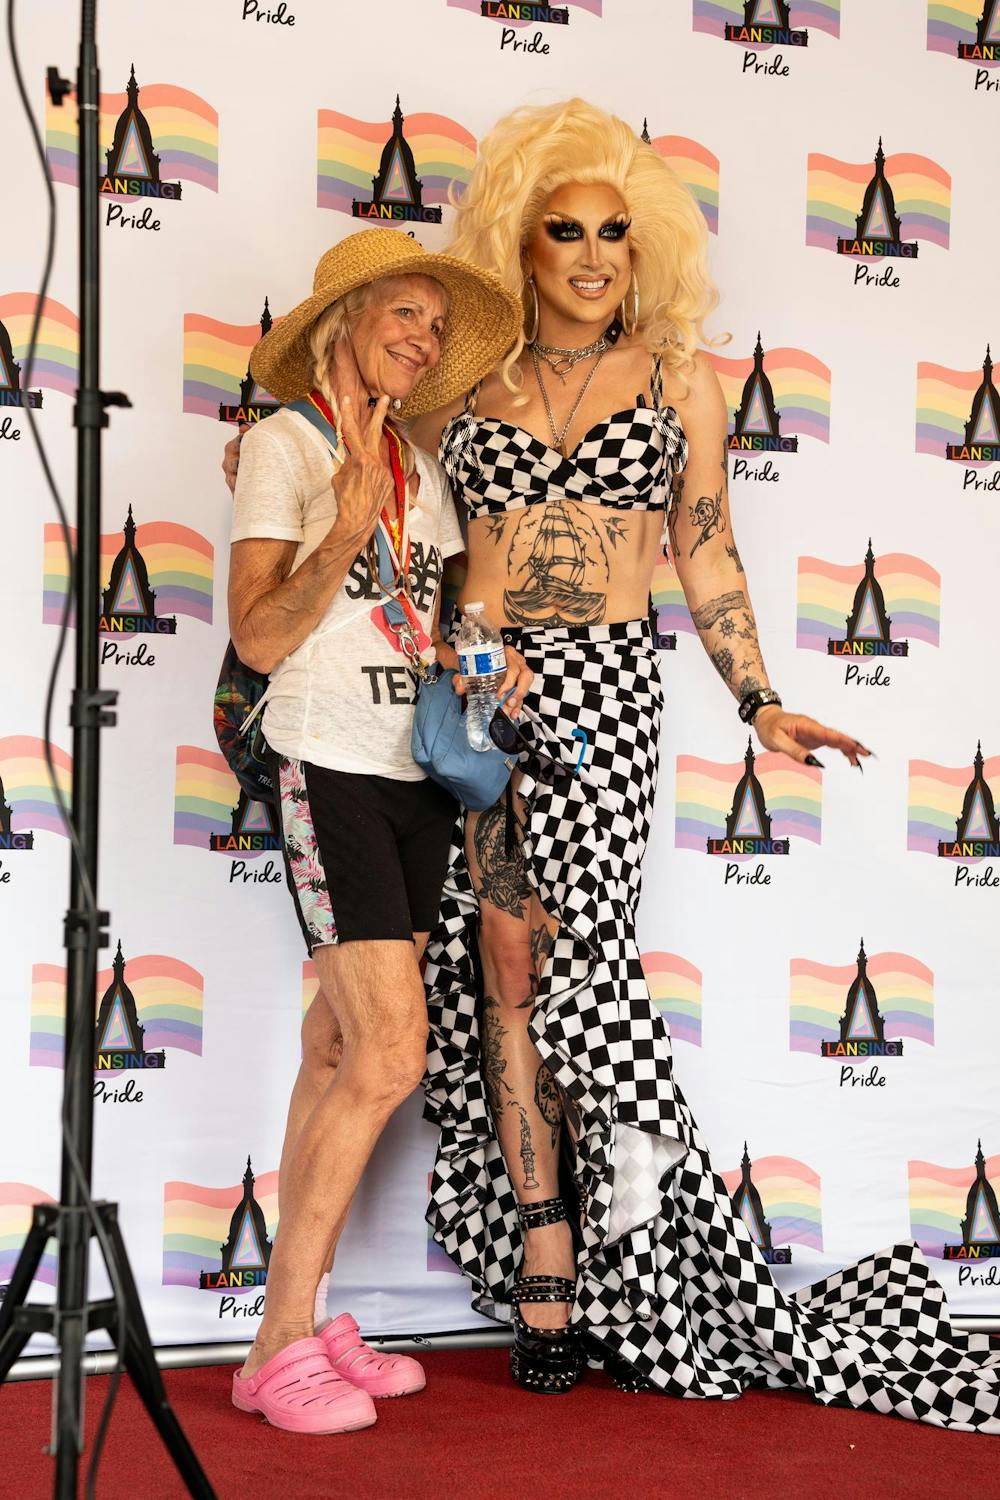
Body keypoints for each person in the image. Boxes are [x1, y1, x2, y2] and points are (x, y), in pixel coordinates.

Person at [398, 100, 999, 1428]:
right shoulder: (461, 386)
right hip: (489, 696)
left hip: (610, 694)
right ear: (521, 242)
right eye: (567, 231)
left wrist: (761, 699)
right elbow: (435, 553)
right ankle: (546, 1245)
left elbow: (708, 552)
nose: (596, 255)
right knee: (500, 961)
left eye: (618, 232)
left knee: (581, 962)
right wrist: (468, 663)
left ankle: (617, 1240)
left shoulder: (681, 381)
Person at [225, 228, 523, 1435]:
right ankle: (275, 1343)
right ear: (343, 317)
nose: (423, 337)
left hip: (412, 772)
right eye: (403, 312)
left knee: (339, 1053)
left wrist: (479, 666)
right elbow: (255, 635)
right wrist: (341, 528)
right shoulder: (282, 448)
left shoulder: (417, 461)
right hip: (323, 763)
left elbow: (430, 622)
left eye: (437, 325)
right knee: (392, 1053)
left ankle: (304, 1321)